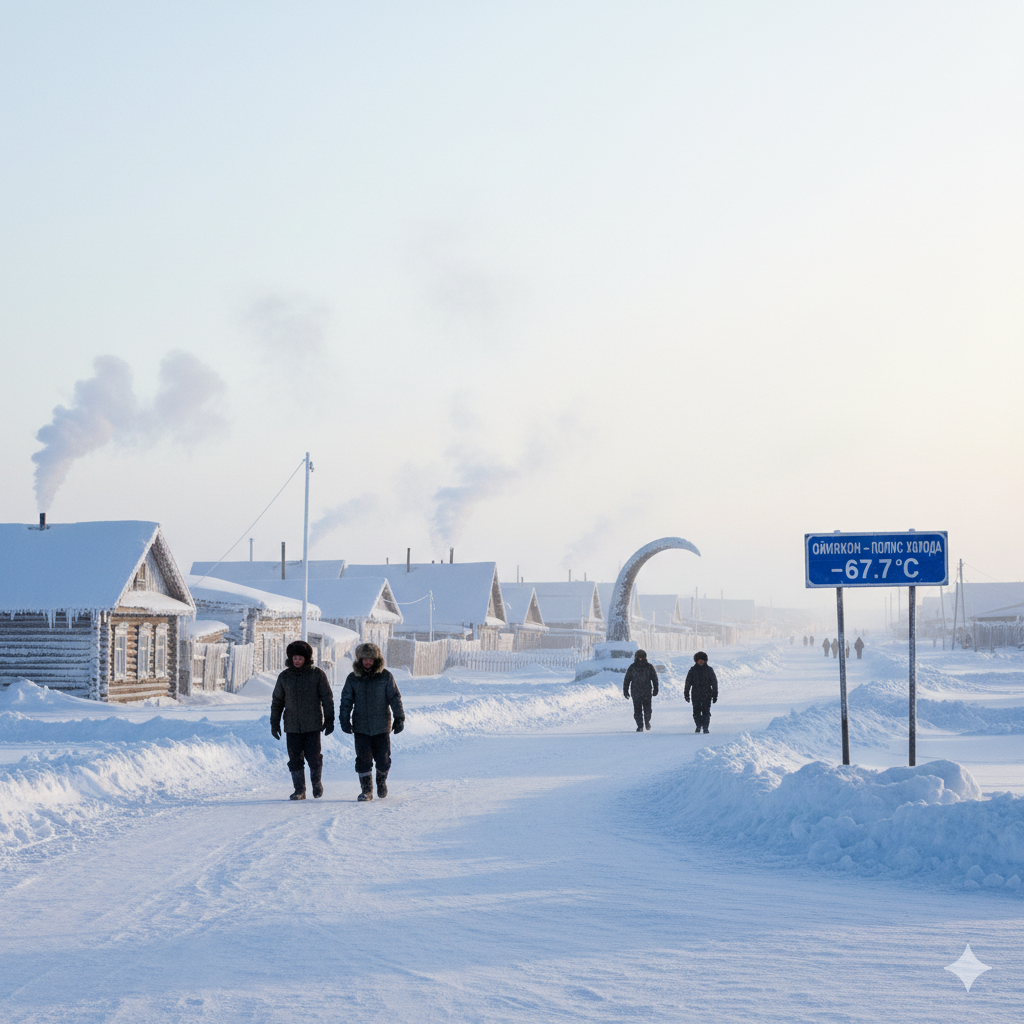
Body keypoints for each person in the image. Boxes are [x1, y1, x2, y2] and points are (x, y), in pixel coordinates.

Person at [339, 642, 405, 802]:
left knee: (383, 760)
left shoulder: (385, 677)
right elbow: (346, 700)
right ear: (360, 660)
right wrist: (344, 719)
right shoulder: (353, 678)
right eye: (364, 659)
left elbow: (395, 698)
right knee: (363, 759)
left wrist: (399, 717)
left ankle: (381, 781)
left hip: (381, 726)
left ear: (376, 659)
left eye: (370, 659)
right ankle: (366, 791)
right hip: (361, 726)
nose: (367, 662)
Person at [270, 640, 335, 801]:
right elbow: (277, 701)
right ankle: (299, 790)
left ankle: (316, 782)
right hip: (292, 725)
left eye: (300, 658)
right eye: (294, 658)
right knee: (294, 759)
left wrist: (330, 719)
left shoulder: (317, 674)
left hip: (312, 725)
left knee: (313, 757)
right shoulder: (284, 677)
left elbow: (327, 698)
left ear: (306, 659)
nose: (297, 661)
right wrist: (274, 722)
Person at [622, 649, 658, 731]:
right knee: (637, 711)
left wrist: (656, 689)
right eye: (639, 657)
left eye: (642, 657)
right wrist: (625, 691)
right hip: (636, 692)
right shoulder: (632, 667)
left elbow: (654, 679)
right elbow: (627, 680)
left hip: (647, 692)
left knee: (648, 710)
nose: (640, 659)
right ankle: (640, 726)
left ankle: (647, 721)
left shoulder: (649, 667)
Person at [684, 651, 718, 734]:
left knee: (706, 711)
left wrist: (715, 694)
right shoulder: (692, 670)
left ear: (705, 660)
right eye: (699, 660)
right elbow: (688, 682)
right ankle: (698, 725)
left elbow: (714, 682)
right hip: (696, 693)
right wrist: (686, 694)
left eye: (702, 660)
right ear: (696, 660)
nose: (701, 661)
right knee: (696, 711)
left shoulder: (709, 670)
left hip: (707, 693)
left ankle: (706, 727)